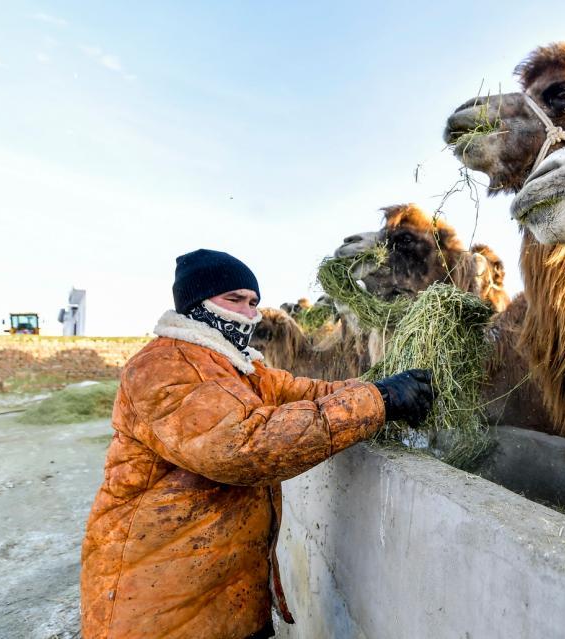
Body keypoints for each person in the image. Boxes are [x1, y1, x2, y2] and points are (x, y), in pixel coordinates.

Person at [80, 249, 434, 639]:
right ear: (194, 304)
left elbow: (308, 393)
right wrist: (378, 402)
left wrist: (381, 389)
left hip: (225, 590)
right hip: (158, 598)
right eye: (233, 300)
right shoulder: (165, 366)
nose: (248, 314)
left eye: (253, 302)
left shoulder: (240, 368)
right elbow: (242, 446)